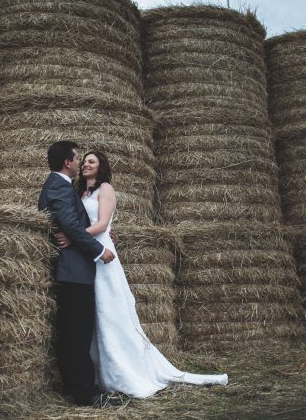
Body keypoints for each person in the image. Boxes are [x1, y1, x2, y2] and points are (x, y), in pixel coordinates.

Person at [55, 149, 228, 398]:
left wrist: (73, 237)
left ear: (101, 166)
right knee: (90, 317)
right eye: (83, 161)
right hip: (86, 255)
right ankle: (92, 374)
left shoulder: (106, 189)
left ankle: (123, 371)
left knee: (110, 312)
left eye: (91, 161)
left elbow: (103, 225)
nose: (85, 164)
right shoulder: (78, 192)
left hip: (101, 254)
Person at [38, 141, 117, 407]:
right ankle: (87, 393)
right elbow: (70, 225)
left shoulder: (65, 186)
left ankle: (77, 386)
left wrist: (102, 232)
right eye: (77, 158)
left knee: (74, 332)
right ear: (67, 163)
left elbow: (78, 224)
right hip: (74, 271)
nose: (80, 162)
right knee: (77, 333)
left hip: (73, 270)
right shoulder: (60, 186)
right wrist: (99, 250)